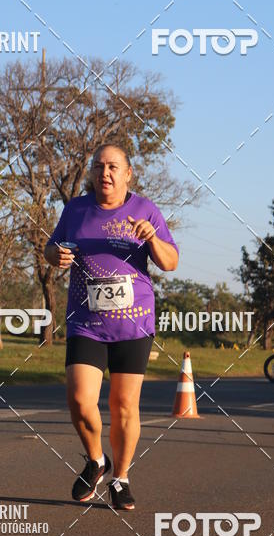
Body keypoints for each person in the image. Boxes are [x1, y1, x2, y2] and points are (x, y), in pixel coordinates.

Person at [44, 143, 179, 510]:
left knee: (123, 405)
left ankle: (121, 478)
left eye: (113, 167)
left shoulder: (145, 210)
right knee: (79, 399)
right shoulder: (75, 209)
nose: (104, 173)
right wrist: (55, 254)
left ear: (128, 173)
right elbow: (50, 249)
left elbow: (170, 262)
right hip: (86, 321)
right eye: (98, 166)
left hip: (134, 324)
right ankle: (96, 460)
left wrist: (152, 238)